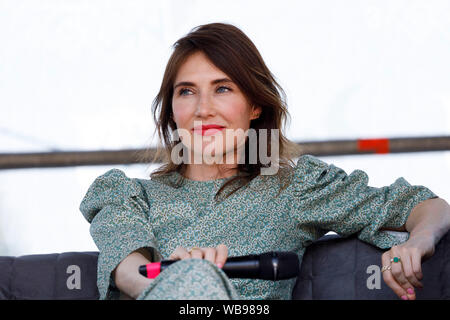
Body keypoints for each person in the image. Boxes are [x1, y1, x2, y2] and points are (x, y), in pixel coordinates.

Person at [79, 22, 450, 301]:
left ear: (256, 106)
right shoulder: (128, 196)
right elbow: (128, 273)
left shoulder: (293, 188)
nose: (203, 109)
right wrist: (181, 280)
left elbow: (427, 207)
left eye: (222, 88)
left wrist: (416, 243)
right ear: (173, 111)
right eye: (186, 91)